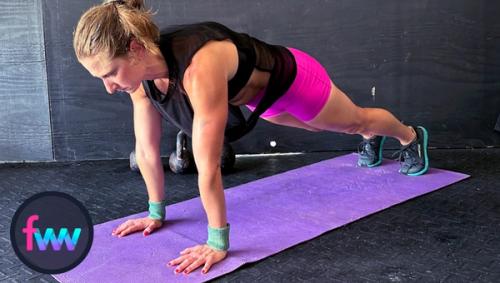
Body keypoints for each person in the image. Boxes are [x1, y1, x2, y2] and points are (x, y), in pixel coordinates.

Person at [73, 0, 430, 275]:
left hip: (292, 79)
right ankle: (373, 136)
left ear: (135, 48)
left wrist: (217, 242)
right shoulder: (140, 81)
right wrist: (155, 214)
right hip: (258, 97)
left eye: (111, 74)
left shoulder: (199, 66)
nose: (109, 87)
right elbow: (147, 150)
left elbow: (208, 164)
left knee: (353, 121)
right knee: (314, 127)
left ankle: (408, 136)